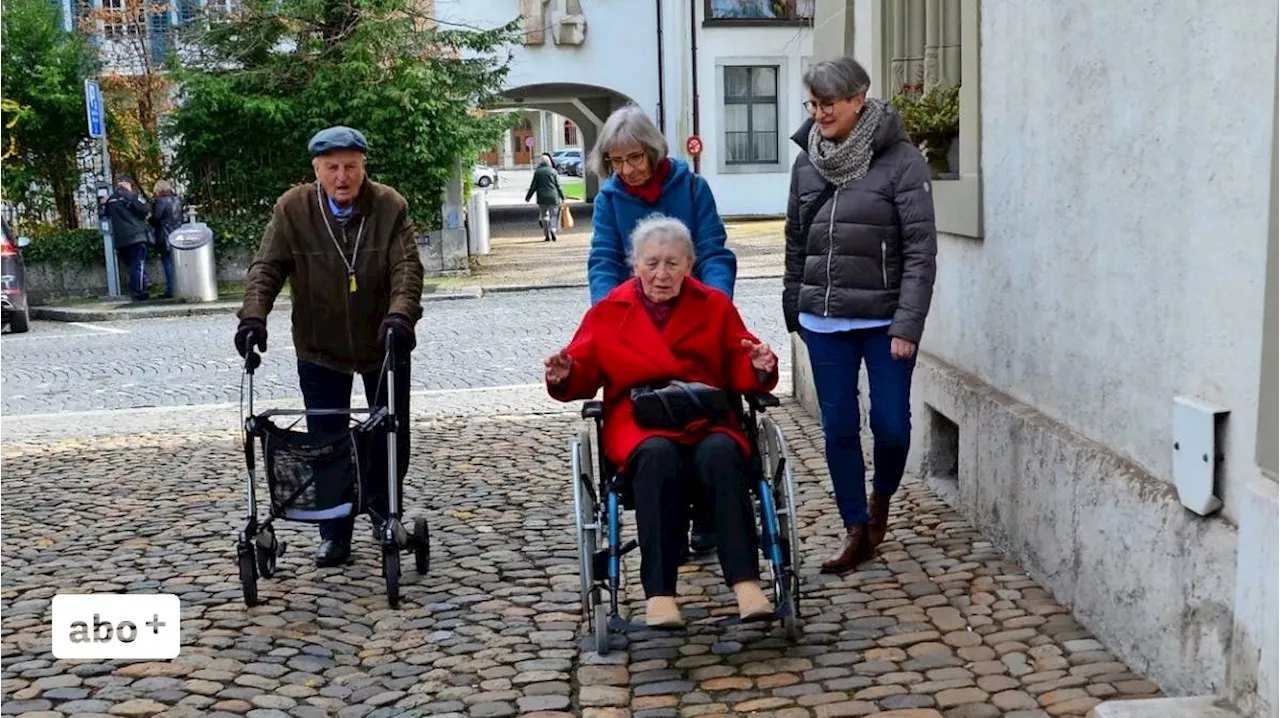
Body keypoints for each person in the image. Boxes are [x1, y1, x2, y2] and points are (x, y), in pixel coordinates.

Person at [544, 215, 779, 628]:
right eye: (651, 263)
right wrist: (565, 374)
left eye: (673, 263)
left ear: (690, 265)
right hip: (640, 422)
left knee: (723, 453)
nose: (662, 274)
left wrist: (758, 366)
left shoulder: (714, 305)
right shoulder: (609, 310)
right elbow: (583, 369)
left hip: (705, 417)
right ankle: (660, 594)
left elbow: (740, 360)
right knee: (656, 458)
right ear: (634, 264)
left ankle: (746, 584)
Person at [234, 125, 425, 568]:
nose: (343, 177)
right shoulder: (293, 209)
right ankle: (334, 532)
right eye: (333, 168)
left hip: (383, 341)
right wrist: (253, 318)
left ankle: (383, 514)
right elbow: (266, 269)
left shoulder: (389, 205)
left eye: (351, 167)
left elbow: (406, 270)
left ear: (364, 168)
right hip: (320, 345)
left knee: (389, 433)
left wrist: (401, 315)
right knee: (326, 440)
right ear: (316, 171)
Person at [782, 57, 938, 575]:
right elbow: (796, 241)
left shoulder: (902, 161)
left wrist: (907, 324)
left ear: (859, 99)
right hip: (823, 320)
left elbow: (920, 250)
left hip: (884, 321)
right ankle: (855, 528)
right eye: (814, 104)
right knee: (840, 426)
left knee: (891, 425)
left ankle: (882, 498)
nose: (820, 113)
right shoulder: (807, 161)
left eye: (829, 103)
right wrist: (794, 309)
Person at [586, 104, 737, 553]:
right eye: (616, 161)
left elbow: (712, 253)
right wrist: (609, 316)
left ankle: (712, 509)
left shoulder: (691, 188)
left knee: (711, 402)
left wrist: (716, 309)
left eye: (634, 158)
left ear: (653, 152)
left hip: (693, 319)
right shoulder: (610, 200)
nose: (627, 170)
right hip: (639, 325)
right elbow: (605, 261)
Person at [104, 176, 152, 301]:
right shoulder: (132, 196)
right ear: (128, 185)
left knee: (131, 265)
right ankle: (139, 291)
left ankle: (141, 285)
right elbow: (145, 208)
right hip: (136, 236)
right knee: (138, 264)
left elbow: (105, 214)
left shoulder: (110, 199)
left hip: (120, 239)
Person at [149, 180, 184, 298]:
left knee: (167, 262)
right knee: (177, 263)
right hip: (178, 234)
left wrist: (150, 220)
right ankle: (180, 287)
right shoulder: (178, 200)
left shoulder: (161, 201)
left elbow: (156, 218)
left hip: (164, 235)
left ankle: (171, 288)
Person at [525, 153, 565, 242]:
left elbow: (533, 186)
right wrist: (563, 196)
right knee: (554, 215)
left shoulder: (538, 172)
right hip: (553, 197)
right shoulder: (553, 171)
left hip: (541, 198)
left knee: (544, 216)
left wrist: (528, 197)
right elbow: (558, 185)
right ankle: (553, 229)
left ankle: (546, 234)